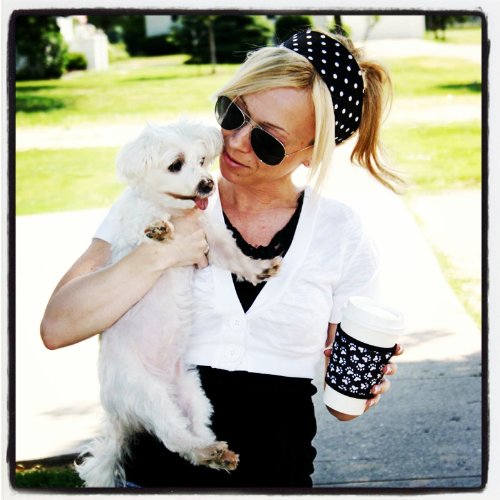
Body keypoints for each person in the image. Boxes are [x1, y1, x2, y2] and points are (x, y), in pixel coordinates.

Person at [41, 28, 404, 489]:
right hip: (150, 482)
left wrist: (365, 382)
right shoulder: (161, 197)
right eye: (233, 113)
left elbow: (343, 405)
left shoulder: (340, 233)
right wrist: (157, 256)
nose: (235, 142)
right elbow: (58, 326)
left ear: (311, 154)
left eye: (267, 140)